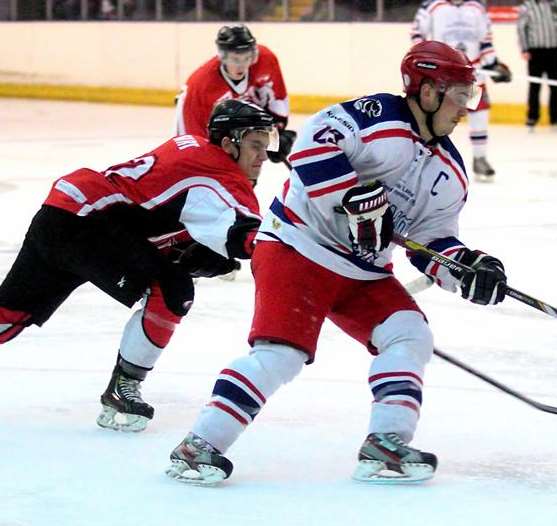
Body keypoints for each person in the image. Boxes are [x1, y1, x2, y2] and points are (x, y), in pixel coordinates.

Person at [165, 40, 509, 486]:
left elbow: (431, 242)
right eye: (459, 94)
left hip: (362, 272)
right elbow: (311, 144)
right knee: (280, 356)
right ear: (426, 91)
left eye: (470, 95)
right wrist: (349, 200)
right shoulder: (377, 117)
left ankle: (386, 444)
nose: (466, 107)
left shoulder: (450, 172)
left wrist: (466, 269)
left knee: (409, 334)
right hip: (298, 246)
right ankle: (200, 446)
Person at [0, 99, 276, 432]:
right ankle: (123, 386)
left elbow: (158, 207)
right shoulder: (220, 179)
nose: (264, 156)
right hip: (87, 226)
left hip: (65, 212)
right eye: (256, 146)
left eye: (266, 146)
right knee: (173, 290)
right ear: (229, 144)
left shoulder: (191, 144)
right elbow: (244, 239)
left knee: (11, 314)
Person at [411, 0, 512, 182]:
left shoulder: (477, 8)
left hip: (471, 77)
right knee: (435, 117)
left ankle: (480, 158)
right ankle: (425, 157)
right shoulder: (433, 6)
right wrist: (426, 57)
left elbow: (485, 42)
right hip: (442, 77)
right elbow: (417, 34)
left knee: (479, 112)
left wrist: (493, 64)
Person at [176, 24, 295, 164]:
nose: (242, 66)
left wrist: (274, 141)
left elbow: (276, 106)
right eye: (235, 59)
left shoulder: (266, 61)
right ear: (223, 57)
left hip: (238, 124)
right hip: (195, 120)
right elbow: (192, 141)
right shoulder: (201, 86)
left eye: (247, 58)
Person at [517, 0, 557, 131]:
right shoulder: (527, 6)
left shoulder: (555, 4)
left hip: (554, 50)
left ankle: (556, 117)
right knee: (535, 85)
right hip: (535, 51)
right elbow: (521, 27)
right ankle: (532, 117)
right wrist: (524, 49)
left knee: (555, 85)